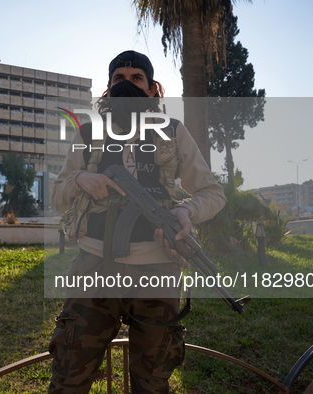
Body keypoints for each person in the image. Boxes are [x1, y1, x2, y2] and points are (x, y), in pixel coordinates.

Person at [48, 50, 226, 393]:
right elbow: (57, 194)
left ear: (151, 89)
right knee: (69, 377)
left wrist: (186, 211)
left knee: (152, 383)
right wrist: (80, 179)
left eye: (136, 78)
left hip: (157, 273)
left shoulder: (172, 131)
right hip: (93, 269)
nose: (126, 84)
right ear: (108, 88)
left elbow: (212, 193)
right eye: (119, 79)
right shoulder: (87, 133)